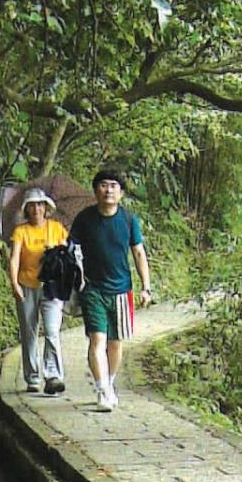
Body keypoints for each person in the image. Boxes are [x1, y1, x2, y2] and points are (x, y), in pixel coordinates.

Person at [68, 169, 152, 411]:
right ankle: (102, 389)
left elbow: (138, 253)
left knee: (115, 343)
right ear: (96, 190)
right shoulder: (84, 219)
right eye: (103, 185)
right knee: (97, 339)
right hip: (92, 288)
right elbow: (72, 247)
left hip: (122, 290)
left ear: (121, 193)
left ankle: (110, 383)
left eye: (113, 186)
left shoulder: (128, 220)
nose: (108, 190)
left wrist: (146, 287)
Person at [8, 187, 68, 394]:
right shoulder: (21, 232)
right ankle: (32, 377)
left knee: (52, 331)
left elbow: (66, 255)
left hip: (51, 287)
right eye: (32, 205)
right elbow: (14, 257)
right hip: (27, 284)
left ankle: (53, 376)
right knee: (29, 332)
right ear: (26, 209)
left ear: (46, 208)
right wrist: (14, 283)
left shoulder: (57, 228)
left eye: (40, 205)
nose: (36, 209)